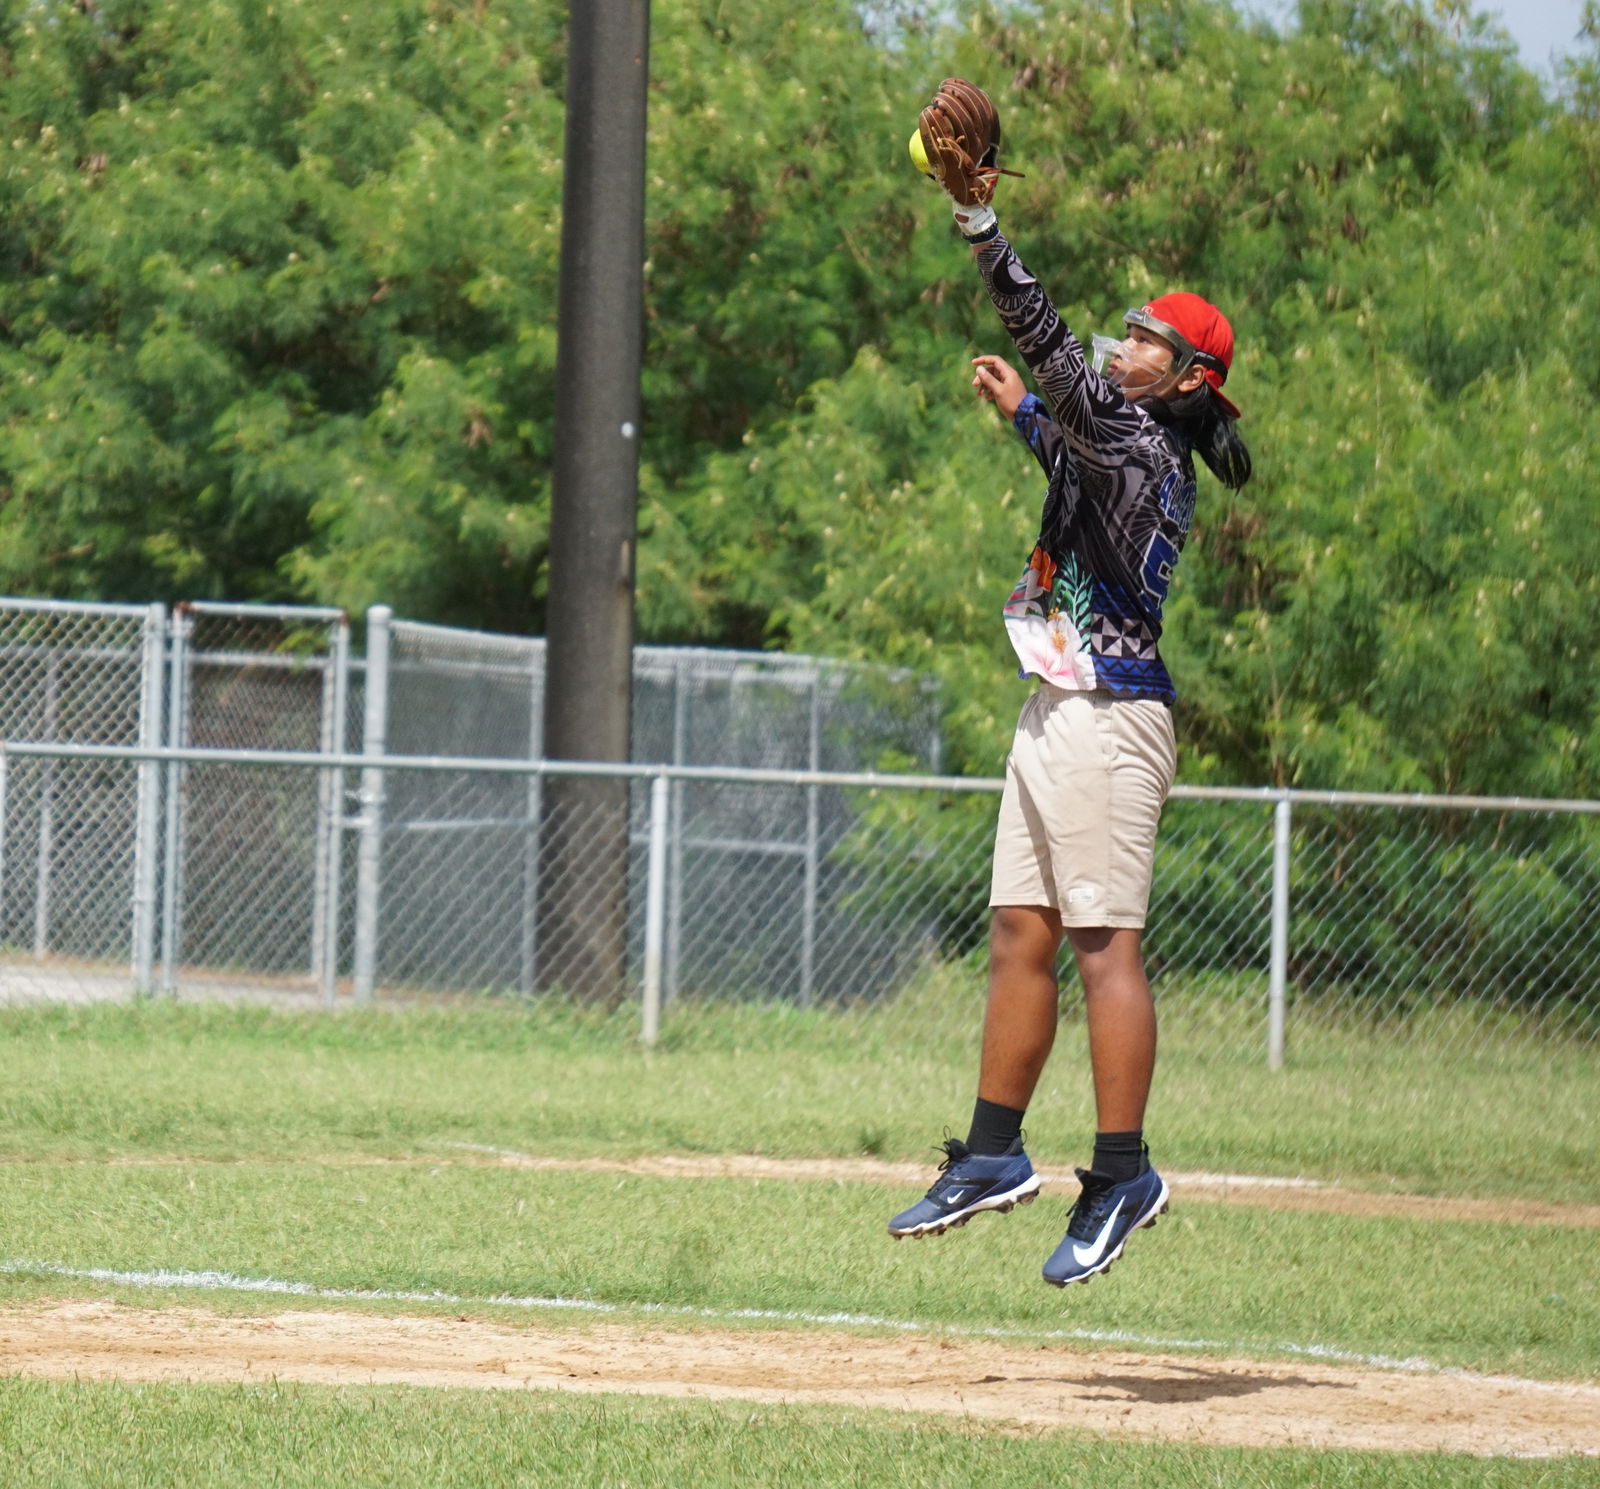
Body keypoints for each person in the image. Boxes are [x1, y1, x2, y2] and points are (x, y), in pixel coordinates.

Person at [887, 157, 1253, 1286]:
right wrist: (1022, 416)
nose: (1125, 342)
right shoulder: (1113, 445)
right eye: (1132, 330)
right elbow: (1066, 442)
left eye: (1149, 339)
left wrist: (978, 220)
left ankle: (1121, 1174)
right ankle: (994, 1153)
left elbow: (1051, 350)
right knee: (1021, 936)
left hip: (1109, 718)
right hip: (1057, 707)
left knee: (1104, 951)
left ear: (1187, 379)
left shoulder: (1145, 441)